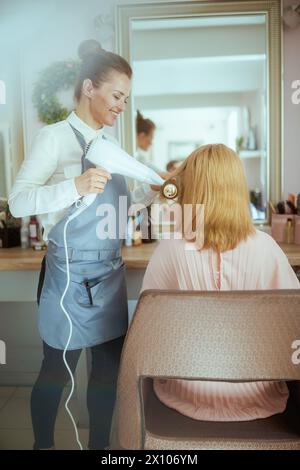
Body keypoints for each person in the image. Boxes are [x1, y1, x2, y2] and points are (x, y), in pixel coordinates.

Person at [9, 39, 160, 450]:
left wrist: (154, 194)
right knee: (57, 371)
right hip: (68, 275)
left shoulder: (113, 149)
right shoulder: (53, 139)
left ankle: (99, 450)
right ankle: (43, 446)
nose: (121, 106)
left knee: (107, 373)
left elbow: (124, 206)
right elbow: (20, 200)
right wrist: (72, 185)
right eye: (117, 95)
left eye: (126, 99)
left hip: (108, 272)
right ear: (90, 87)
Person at [141, 143, 299, 422]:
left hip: (187, 391)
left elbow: (147, 328)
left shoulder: (170, 248)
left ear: (192, 189)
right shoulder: (267, 247)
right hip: (257, 393)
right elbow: (293, 323)